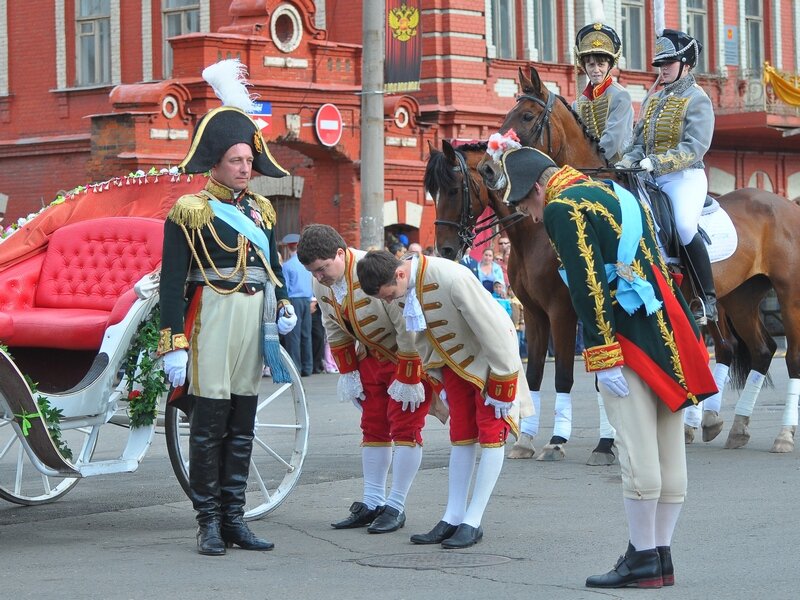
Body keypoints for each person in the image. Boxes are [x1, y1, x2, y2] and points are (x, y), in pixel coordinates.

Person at [498, 145, 717, 588]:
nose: (531, 215)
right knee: (669, 446)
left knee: (637, 452)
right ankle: (661, 557)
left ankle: (640, 558)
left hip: (627, 336)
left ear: (540, 188)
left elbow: (587, 282)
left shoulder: (563, 206)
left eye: (525, 203)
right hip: (667, 327)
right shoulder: (612, 191)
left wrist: (601, 354)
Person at [158, 59, 297, 556]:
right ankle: (209, 523)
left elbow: (272, 269)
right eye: (237, 160)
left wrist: (281, 305)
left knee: (243, 421)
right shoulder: (189, 211)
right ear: (215, 161)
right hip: (212, 320)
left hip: (252, 321)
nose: (245, 169)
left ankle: (235, 518)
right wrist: (173, 344)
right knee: (209, 422)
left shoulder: (261, 210)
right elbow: (171, 285)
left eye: (248, 161)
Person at [357, 250, 533, 549]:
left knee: (491, 436)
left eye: (389, 296)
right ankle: (453, 516)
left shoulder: (452, 277)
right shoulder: (403, 286)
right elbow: (421, 335)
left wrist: (504, 380)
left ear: (399, 274)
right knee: (461, 436)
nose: (389, 302)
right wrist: (433, 375)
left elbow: (497, 328)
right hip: (454, 367)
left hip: (489, 364)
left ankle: (473, 520)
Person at [296, 224, 434, 535]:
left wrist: (409, 376)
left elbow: (407, 323)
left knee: (405, 428)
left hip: (406, 359)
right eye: (313, 272)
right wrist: (349, 372)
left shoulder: (373, 269)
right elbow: (333, 327)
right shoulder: (322, 282)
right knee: (373, 427)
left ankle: (395, 506)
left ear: (340, 254)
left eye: (322, 269)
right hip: (370, 359)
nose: (319, 277)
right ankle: (373, 501)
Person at [617, 29, 716, 325]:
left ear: (685, 63)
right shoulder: (652, 100)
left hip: (683, 177)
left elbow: (695, 146)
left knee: (685, 226)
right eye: (660, 64)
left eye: (669, 63)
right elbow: (636, 143)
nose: (662, 69)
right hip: (647, 176)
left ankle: (707, 299)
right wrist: (625, 163)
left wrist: (656, 162)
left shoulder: (697, 99)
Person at [572, 21, 634, 164]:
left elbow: (612, 141)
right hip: (590, 165)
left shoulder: (620, 96)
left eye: (601, 64)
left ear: (609, 66)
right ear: (584, 66)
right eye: (591, 64)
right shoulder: (578, 103)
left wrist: (584, 161)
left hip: (618, 167)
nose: (596, 70)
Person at [281, 233, 314, 376]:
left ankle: (296, 368)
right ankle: (308, 367)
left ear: (289, 248)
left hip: (294, 300)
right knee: (306, 335)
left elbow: (286, 287)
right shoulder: (306, 264)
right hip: (307, 300)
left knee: (294, 336)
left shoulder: (287, 266)